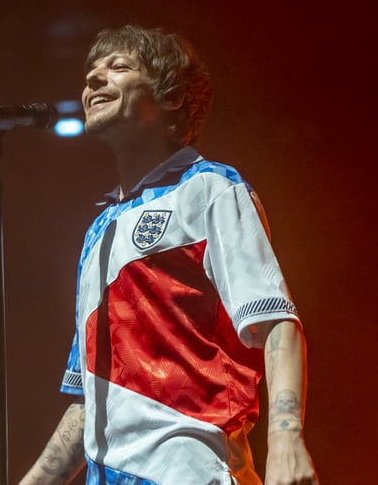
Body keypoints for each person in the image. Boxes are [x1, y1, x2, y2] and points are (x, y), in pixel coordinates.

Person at [18, 25, 318, 485]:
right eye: (90, 71)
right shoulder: (99, 231)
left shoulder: (210, 188)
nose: (94, 79)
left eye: (118, 67)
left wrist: (286, 438)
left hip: (192, 470)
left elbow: (276, 321)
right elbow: (90, 403)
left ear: (173, 97)